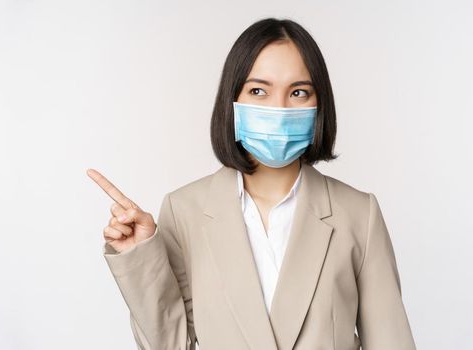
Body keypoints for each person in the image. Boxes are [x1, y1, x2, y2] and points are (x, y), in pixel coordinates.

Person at [87, 17, 415, 350]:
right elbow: (171, 344)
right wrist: (140, 258)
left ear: (319, 105)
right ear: (233, 101)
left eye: (299, 92)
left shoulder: (359, 214)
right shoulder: (185, 210)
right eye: (259, 91)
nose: (279, 108)